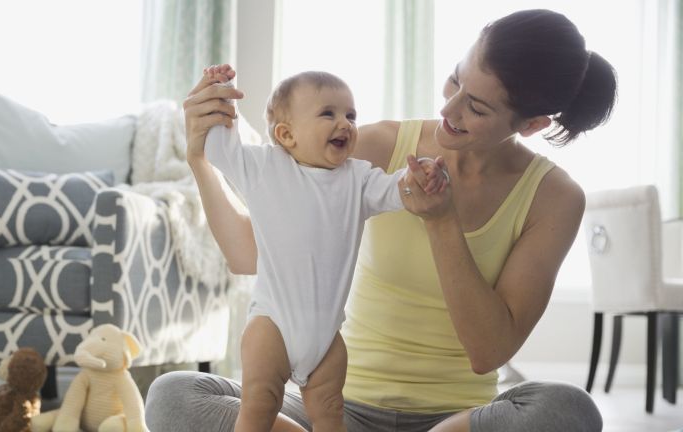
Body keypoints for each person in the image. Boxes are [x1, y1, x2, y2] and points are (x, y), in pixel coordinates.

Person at [146, 8, 616, 432]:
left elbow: (487, 352)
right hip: (335, 406)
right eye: (455, 80)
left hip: (455, 420)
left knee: (567, 412)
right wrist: (200, 161)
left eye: (475, 107)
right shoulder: (375, 146)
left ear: (531, 125)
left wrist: (441, 221)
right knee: (174, 396)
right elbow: (247, 254)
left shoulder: (553, 198)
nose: (447, 110)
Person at [201, 68, 447, 432]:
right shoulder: (265, 167)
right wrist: (221, 93)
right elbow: (220, 149)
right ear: (287, 134)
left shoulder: (358, 178)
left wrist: (419, 178)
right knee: (259, 404)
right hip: (273, 324)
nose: (345, 123)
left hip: (327, 335)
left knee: (331, 410)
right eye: (328, 114)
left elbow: (398, 191)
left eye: (351, 115)